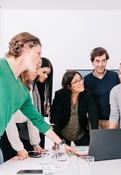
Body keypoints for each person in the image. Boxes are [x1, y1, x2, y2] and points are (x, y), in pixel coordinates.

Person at [0, 32, 74, 165]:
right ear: (25, 48)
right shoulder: (1, 66)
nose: (40, 59)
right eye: (38, 53)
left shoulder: (23, 91)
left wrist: (61, 144)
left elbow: (37, 120)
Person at [0, 69, 47, 161]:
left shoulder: (28, 86)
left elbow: (31, 116)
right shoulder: (7, 88)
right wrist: (19, 148)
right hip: (5, 130)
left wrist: (36, 143)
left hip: (15, 129)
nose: (38, 73)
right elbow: (9, 120)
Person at [50, 71, 98, 146]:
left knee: (87, 152)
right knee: (64, 155)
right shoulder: (60, 95)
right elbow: (54, 118)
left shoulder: (88, 94)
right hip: (63, 133)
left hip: (80, 133)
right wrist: (56, 141)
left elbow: (93, 116)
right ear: (69, 86)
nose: (80, 83)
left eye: (80, 79)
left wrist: (95, 138)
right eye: (76, 82)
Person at [17, 57, 53, 149]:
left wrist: (44, 112)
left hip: (38, 129)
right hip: (26, 132)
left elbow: (38, 110)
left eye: (48, 74)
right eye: (44, 72)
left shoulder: (44, 87)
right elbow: (30, 113)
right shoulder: (28, 85)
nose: (46, 76)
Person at [84, 47, 120, 129]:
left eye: (103, 61)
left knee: (114, 142)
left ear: (106, 61)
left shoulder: (114, 76)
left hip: (112, 120)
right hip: (94, 121)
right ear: (92, 62)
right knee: (96, 142)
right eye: (97, 61)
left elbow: (120, 97)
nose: (100, 64)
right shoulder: (86, 80)